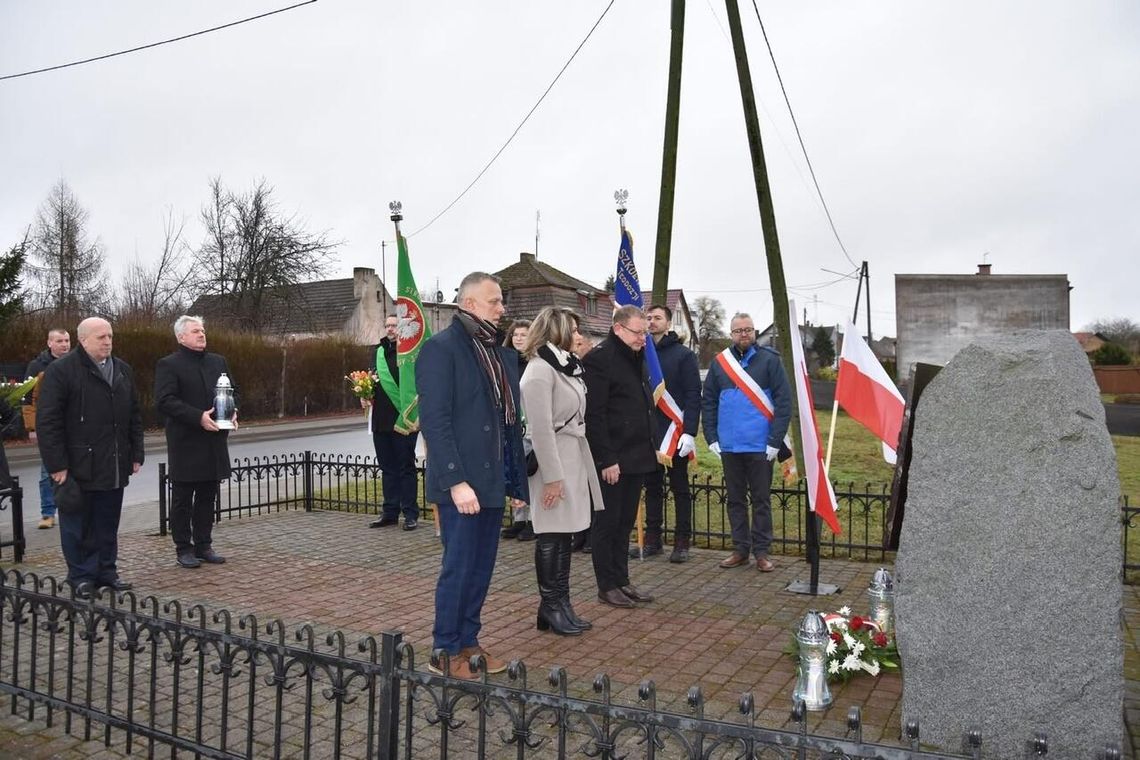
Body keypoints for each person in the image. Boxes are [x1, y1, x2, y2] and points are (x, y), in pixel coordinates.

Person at [416, 272, 529, 680]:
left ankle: (469, 641)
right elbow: (435, 421)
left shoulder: (497, 352)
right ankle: (444, 649)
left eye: (501, 301)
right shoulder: (442, 350)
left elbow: (507, 422)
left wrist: (515, 481)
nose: (502, 309)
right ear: (469, 304)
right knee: (458, 567)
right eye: (494, 301)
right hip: (461, 483)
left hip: (492, 479)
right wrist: (455, 481)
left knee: (481, 568)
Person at [36, 317, 144, 598]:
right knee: (78, 525)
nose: (108, 341)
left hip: (114, 462)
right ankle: (81, 577)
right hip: (77, 465)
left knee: (107, 523)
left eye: (110, 336)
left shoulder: (122, 370)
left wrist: (136, 452)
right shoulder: (62, 371)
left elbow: (133, 415)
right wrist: (57, 465)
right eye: (101, 337)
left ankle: (107, 572)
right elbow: (48, 421)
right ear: (83, 340)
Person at [519, 307, 603, 635]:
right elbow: (539, 430)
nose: (579, 336)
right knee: (551, 535)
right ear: (557, 331)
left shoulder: (565, 367)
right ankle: (551, 604)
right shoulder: (539, 371)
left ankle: (560, 603)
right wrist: (553, 478)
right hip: (552, 464)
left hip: (572, 457)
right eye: (574, 329)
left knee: (565, 533)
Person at [701, 312, 792, 572]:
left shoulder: (770, 361)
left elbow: (784, 402)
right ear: (731, 334)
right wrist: (711, 437)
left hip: (760, 445)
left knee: (761, 500)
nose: (744, 334)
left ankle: (762, 552)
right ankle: (740, 550)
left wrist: (775, 441)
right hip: (730, 446)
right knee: (735, 500)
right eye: (739, 330)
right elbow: (709, 402)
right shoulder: (720, 363)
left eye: (748, 330)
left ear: (754, 332)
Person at [583, 305, 658, 608]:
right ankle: (606, 585)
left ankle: (622, 580)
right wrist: (606, 459)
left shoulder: (636, 356)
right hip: (613, 458)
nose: (644, 338)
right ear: (618, 329)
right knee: (607, 522)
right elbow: (595, 414)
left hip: (637, 452)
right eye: (638, 332)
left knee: (625, 521)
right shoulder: (601, 360)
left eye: (646, 333)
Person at [155, 315, 235, 569]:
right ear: (181, 337)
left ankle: (204, 544)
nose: (202, 334)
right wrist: (197, 417)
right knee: (182, 499)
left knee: (207, 496)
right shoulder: (169, 364)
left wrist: (233, 410)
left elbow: (233, 391)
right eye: (195, 331)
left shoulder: (217, 361)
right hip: (186, 441)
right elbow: (165, 400)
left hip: (213, 440)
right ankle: (183, 548)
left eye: (203, 330)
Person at [634, 304, 701, 563]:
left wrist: (691, 432)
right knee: (651, 487)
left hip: (675, 431)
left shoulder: (683, 355)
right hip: (649, 430)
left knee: (680, 489)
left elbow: (694, 394)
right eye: (648, 317)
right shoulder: (639, 352)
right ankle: (653, 539)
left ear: (669, 323)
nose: (652, 322)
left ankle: (682, 541)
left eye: (657, 318)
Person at [366, 314, 419, 530]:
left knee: (405, 468)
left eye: (394, 325)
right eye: (387, 325)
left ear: (402, 328)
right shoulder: (377, 352)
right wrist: (365, 393)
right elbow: (372, 380)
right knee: (387, 468)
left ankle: (410, 513)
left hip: (403, 418)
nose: (390, 329)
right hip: (381, 419)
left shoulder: (410, 354)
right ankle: (390, 512)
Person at [22, 328, 71, 529]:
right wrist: (32, 427)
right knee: (47, 471)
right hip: (47, 427)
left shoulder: (75, 364)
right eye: (60, 340)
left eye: (67, 340)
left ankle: (70, 510)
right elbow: (27, 398)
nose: (65, 344)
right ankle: (47, 513)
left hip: (72, 426)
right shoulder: (37, 366)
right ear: (49, 343)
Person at [501, 319, 535, 541]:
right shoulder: (505, 362)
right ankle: (519, 518)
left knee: (531, 474)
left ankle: (533, 521)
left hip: (531, 424)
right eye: (516, 335)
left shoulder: (536, 362)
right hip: (511, 423)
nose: (519, 338)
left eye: (524, 334)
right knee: (515, 473)